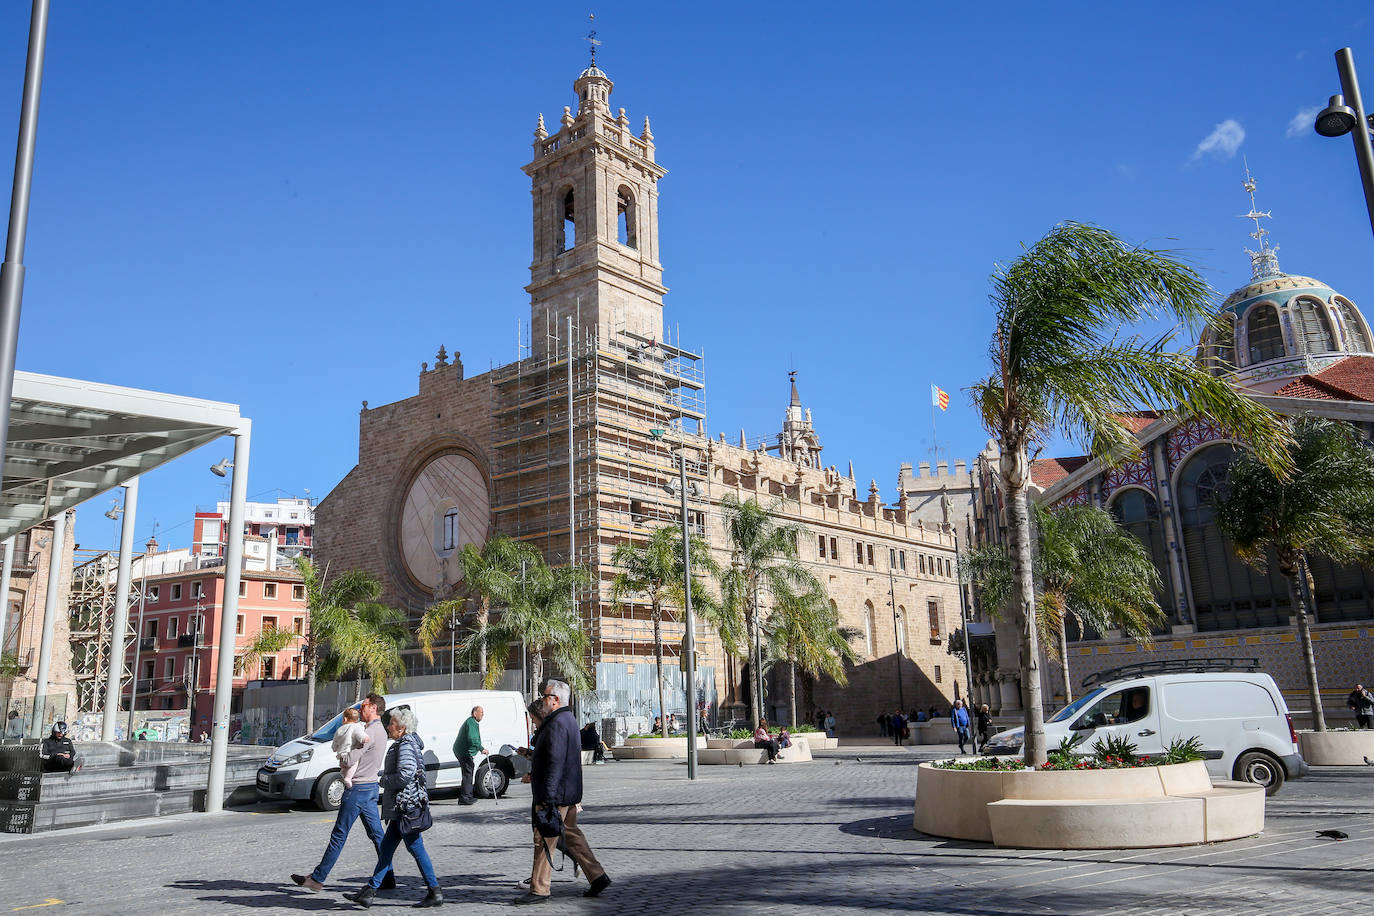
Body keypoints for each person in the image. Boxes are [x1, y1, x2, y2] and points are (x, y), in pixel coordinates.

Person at [516, 678, 611, 904]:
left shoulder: (556, 724)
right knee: (572, 835)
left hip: (556, 794)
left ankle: (539, 889)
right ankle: (597, 875)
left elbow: (555, 762)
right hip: (568, 791)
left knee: (544, 840)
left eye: (545, 697)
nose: (542, 700)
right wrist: (531, 756)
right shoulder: (567, 719)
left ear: (555, 700)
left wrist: (547, 798)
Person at [292, 694, 394, 893]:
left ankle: (317, 878)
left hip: (357, 789)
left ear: (373, 708)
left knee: (339, 835)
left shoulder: (370, 732)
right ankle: (388, 877)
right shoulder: (380, 730)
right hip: (371, 786)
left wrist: (341, 755)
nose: (361, 709)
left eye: (364, 705)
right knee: (377, 835)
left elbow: (348, 760)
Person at [347, 706, 442, 909]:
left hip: (405, 807)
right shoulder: (404, 743)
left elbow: (406, 774)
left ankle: (434, 891)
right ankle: (370, 891)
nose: (388, 727)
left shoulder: (405, 745)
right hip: (403, 808)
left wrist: (384, 781)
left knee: (415, 849)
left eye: (392, 724)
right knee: (387, 849)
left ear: (402, 728)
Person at [454, 705, 487, 805]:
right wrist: (481, 749)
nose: (483, 714)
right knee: (468, 772)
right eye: (481, 712)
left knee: (468, 771)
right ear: (474, 713)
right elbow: (472, 739)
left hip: (462, 751)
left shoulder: (472, 722)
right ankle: (465, 797)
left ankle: (467, 795)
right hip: (463, 752)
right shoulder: (471, 723)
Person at [333, 706, 371, 790]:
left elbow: (335, 742)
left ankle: (343, 777)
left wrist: (334, 748)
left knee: (343, 769)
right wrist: (365, 738)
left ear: (345, 719)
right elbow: (359, 734)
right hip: (349, 754)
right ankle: (348, 778)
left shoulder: (339, 729)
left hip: (341, 757)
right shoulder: (355, 727)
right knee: (354, 763)